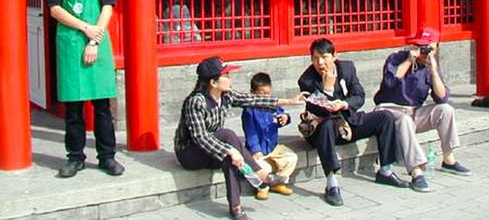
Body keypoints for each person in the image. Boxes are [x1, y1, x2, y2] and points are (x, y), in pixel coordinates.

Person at [174, 57, 306, 220]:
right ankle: (263, 175)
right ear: (213, 82)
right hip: (191, 152)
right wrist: (230, 149)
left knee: (230, 158)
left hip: (214, 147)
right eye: (226, 75)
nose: (230, 79)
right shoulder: (196, 102)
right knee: (228, 137)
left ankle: (235, 207)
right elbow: (200, 138)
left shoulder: (226, 95)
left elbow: (253, 99)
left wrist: (289, 101)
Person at [47, 0, 124, 178]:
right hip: (70, 44)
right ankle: (75, 157)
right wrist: (84, 27)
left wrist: (94, 38)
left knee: (102, 105)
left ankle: (107, 156)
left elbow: (107, 7)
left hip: (97, 42)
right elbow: (55, 9)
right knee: (74, 107)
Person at [297, 38, 409, 207]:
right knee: (326, 125)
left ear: (334, 56)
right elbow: (317, 110)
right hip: (322, 129)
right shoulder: (307, 80)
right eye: (315, 58)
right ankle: (331, 183)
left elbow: (359, 95)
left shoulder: (347, 68)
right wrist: (327, 89)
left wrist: (344, 104)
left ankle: (385, 171)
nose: (320, 63)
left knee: (385, 117)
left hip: (348, 120)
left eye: (324, 57)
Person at [373, 27, 471, 193]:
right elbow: (389, 83)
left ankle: (449, 159)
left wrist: (433, 70)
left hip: (414, 111)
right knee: (404, 121)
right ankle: (416, 171)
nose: (425, 52)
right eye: (421, 47)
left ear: (436, 47)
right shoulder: (396, 58)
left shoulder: (430, 66)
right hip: (388, 110)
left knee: (446, 110)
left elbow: (442, 97)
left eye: (429, 48)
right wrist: (408, 61)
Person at [241, 72, 298, 200]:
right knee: (258, 167)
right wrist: (256, 150)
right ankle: (263, 186)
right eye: (261, 94)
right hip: (258, 149)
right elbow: (250, 133)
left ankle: (278, 183)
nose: (265, 97)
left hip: (273, 147)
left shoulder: (273, 105)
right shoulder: (249, 111)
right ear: (253, 93)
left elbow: (282, 116)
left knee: (291, 157)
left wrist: (285, 118)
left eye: (267, 94)